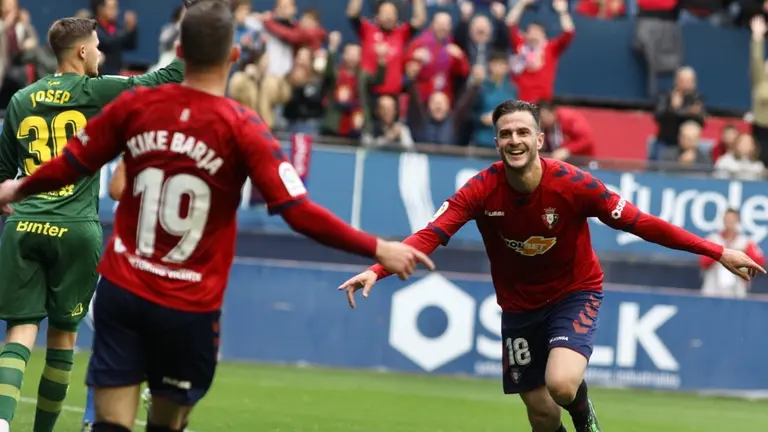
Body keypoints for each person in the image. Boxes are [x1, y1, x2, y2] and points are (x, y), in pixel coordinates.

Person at [0, 1, 434, 430]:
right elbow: (298, 212)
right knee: (165, 423)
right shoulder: (242, 127)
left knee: (110, 423)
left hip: (125, 290)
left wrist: (20, 186)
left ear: (181, 52)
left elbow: (71, 162)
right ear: (232, 56)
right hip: (188, 304)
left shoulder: (133, 111)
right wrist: (378, 248)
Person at [339, 100, 765, 432]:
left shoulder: (575, 184)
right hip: (519, 310)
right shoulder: (479, 190)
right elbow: (428, 234)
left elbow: (642, 223)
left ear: (540, 139)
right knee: (541, 416)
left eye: (523, 131)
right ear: (497, 142)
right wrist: (376, 268)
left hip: (573, 293)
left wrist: (715, 251)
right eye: (506, 134)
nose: (515, 140)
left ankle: (587, 421)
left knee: (562, 384)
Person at [0, 11, 187, 432]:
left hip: (24, 227)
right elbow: (168, 77)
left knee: (19, 334)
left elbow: (1, 175)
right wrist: (192, 28)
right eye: (98, 46)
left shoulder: (20, 99)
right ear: (83, 51)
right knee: (63, 341)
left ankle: (1, 421)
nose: (101, 52)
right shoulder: (97, 91)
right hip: (76, 229)